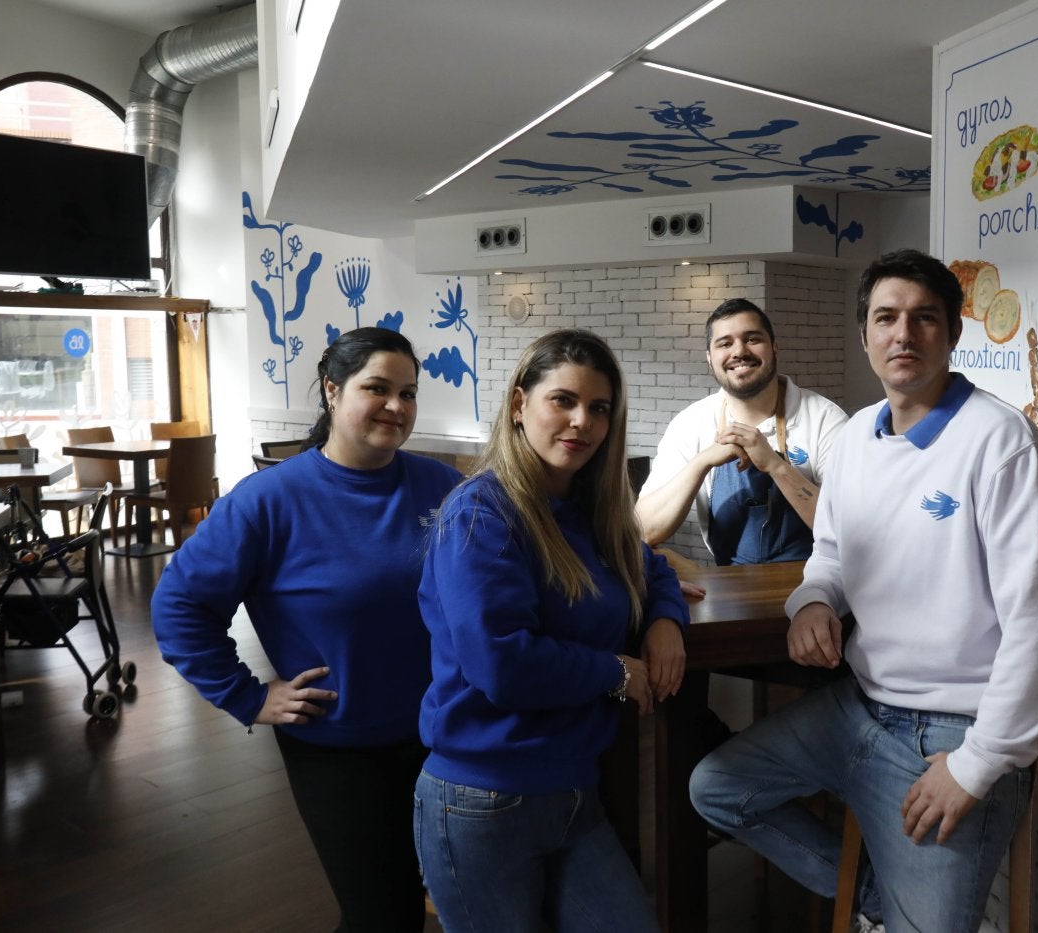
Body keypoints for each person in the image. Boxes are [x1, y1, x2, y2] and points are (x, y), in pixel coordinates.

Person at [688, 250, 1038, 933]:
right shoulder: (856, 443)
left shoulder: (1002, 444)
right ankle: (884, 902)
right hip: (859, 709)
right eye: (886, 318)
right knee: (718, 786)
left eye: (925, 318)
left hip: (955, 732)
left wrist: (975, 765)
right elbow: (834, 554)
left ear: (952, 335)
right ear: (865, 335)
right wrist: (812, 600)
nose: (905, 334)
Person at [152, 327, 462, 932]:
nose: (396, 407)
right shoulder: (266, 500)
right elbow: (179, 606)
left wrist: (647, 577)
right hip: (340, 749)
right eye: (377, 388)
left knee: (458, 898)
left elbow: (527, 550)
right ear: (332, 390)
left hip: (445, 737)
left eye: (408, 392)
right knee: (384, 915)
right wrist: (247, 695)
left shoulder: (440, 485)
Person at [414, 328, 690, 933]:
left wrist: (666, 619)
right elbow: (501, 665)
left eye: (598, 409)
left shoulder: (593, 510)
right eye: (561, 400)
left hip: (574, 792)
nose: (581, 422)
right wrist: (615, 671)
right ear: (519, 404)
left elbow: (650, 565)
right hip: (483, 798)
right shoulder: (481, 513)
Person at [636, 298, 848, 566]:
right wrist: (702, 462)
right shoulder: (690, 424)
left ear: (774, 347)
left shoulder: (824, 419)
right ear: (710, 359)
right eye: (725, 343)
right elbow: (644, 530)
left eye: (752, 339)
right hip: (730, 588)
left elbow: (847, 531)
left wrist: (775, 466)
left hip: (818, 581)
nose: (739, 351)